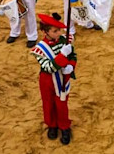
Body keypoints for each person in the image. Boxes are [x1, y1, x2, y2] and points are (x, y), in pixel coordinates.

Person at [32, 13, 75, 145]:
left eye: (59, 30)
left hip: (63, 78)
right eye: (55, 31)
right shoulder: (40, 49)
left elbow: (73, 56)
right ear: (45, 32)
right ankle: (52, 125)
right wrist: (62, 56)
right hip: (47, 80)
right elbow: (48, 67)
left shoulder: (64, 40)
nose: (59, 33)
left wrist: (71, 66)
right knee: (48, 103)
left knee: (62, 104)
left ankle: (64, 126)